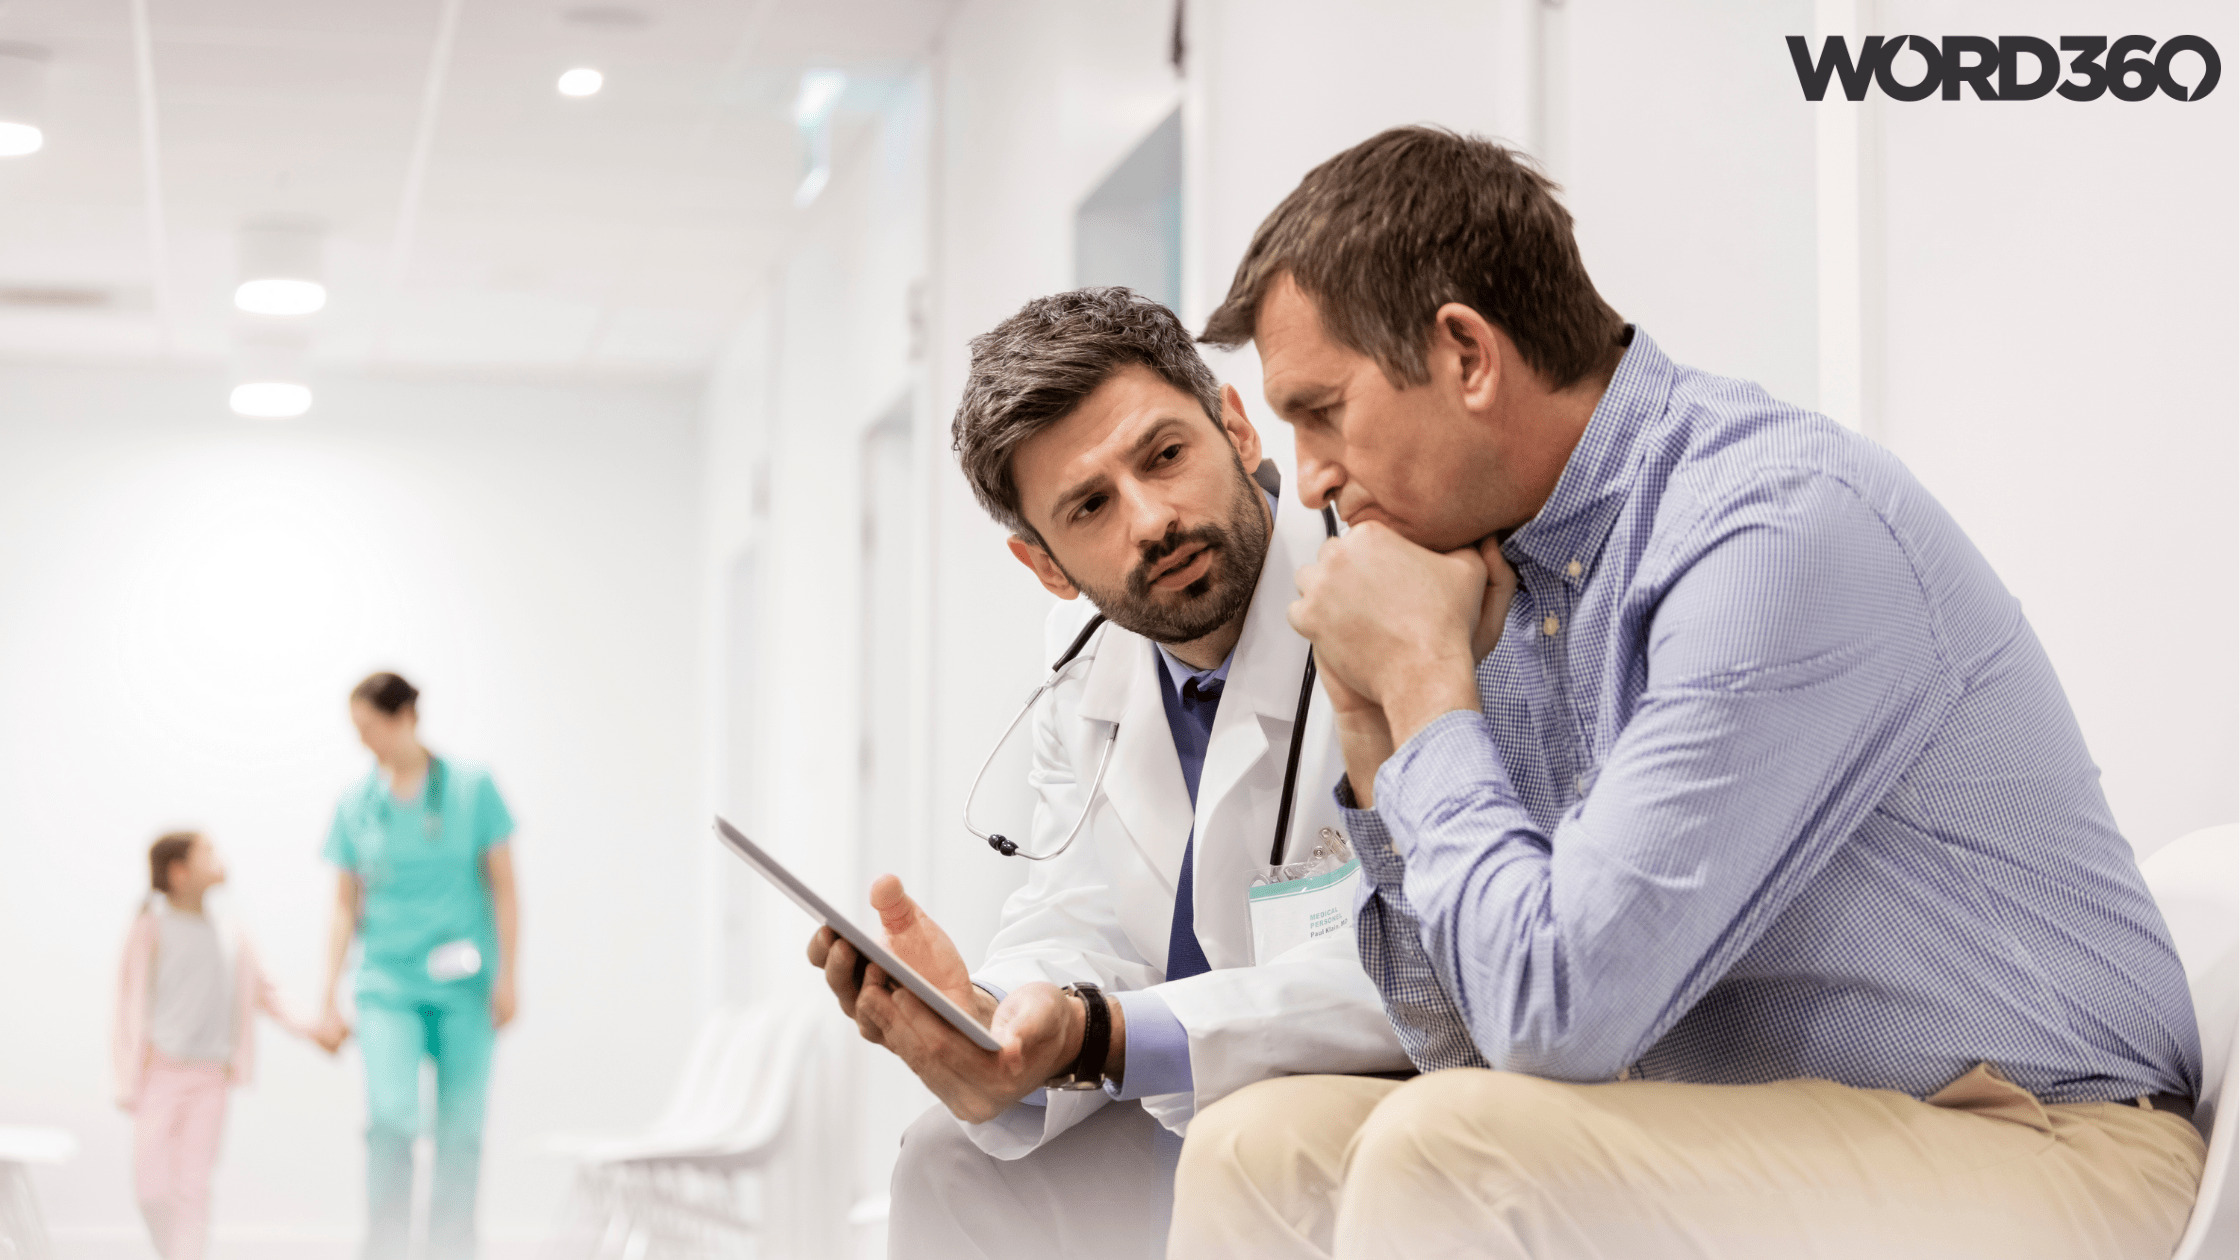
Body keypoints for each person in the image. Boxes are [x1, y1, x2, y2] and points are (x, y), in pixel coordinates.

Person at [1167, 127, 2205, 1259]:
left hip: (2056, 1149)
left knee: (1453, 1151)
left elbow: (1552, 1019)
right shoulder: (1489, 564)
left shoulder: (1773, 527)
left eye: (1321, 411)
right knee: (1254, 1144)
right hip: (1763, 1122)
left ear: (1465, 354)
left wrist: (1421, 684)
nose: (1308, 476)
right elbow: (1465, 1046)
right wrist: (1371, 721)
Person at [806, 287, 1409, 1260]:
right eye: (1089, 506)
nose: (1152, 519)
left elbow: (1416, 967)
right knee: (942, 1163)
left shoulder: (1391, 593)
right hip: (1186, 1088)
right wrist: (995, 1012)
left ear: (1232, 422)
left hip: (1368, 1092)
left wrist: (1095, 1035)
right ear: (1042, 563)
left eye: (1163, 456)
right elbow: (1077, 908)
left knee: (1241, 1149)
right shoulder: (1083, 659)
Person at [317, 672, 520, 1260]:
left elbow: (504, 887)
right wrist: (328, 993)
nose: (363, 742)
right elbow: (342, 906)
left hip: (466, 987)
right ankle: (384, 1250)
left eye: (369, 727)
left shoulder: (472, 788)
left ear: (406, 715)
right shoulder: (356, 804)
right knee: (391, 1121)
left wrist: (509, 976)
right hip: (386, 984)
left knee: (461, 1135)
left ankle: (452, 1251)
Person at [112, 830, 334, 1260]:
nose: (220, 859)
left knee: (194, 1187)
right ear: (178, 873)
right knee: (152, 1189)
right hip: (159, 1073)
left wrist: (315, 1028)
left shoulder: (232, 931)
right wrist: (125, 1077)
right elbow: (126, 1006)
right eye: (208, 853)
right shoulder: (149, 928)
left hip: (210, 1077)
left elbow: (268, 993)